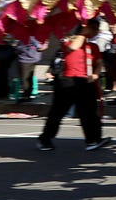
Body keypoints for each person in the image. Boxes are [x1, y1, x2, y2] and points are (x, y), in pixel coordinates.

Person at [38, 21, 111, 152]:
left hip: (85, 81)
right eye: (94, 28)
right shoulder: (68, 42)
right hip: (68, 80)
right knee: (58, 111)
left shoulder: (92, 46)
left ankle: (93, 140)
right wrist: (83, 33)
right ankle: (45, 139)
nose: (96, 32)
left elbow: (99, 62)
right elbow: (73, 48)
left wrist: (96, 73)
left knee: (89, 112)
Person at [15, 33, 47, 101]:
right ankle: (28, 93)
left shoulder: (30, 36)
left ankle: (26, 95)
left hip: (26, 59)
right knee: (29, 77)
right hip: (31, 58)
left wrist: (18, 48)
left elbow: (40, 47)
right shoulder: (35, 35)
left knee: (25, 78)